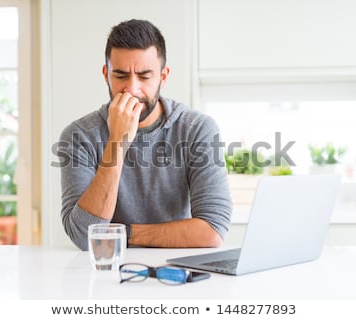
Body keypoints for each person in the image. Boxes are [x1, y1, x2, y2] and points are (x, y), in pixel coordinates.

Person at [59, 19, 232, 251]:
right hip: (107, 272)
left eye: (144, 76)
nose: (132, 89)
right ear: (105, 75)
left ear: (163, 76)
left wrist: (122, 233)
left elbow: (212, 230)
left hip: (176, 272)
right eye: (120, 76)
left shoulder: (197, 129)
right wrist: (118, 141)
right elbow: (83, 236)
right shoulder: (79, 136)